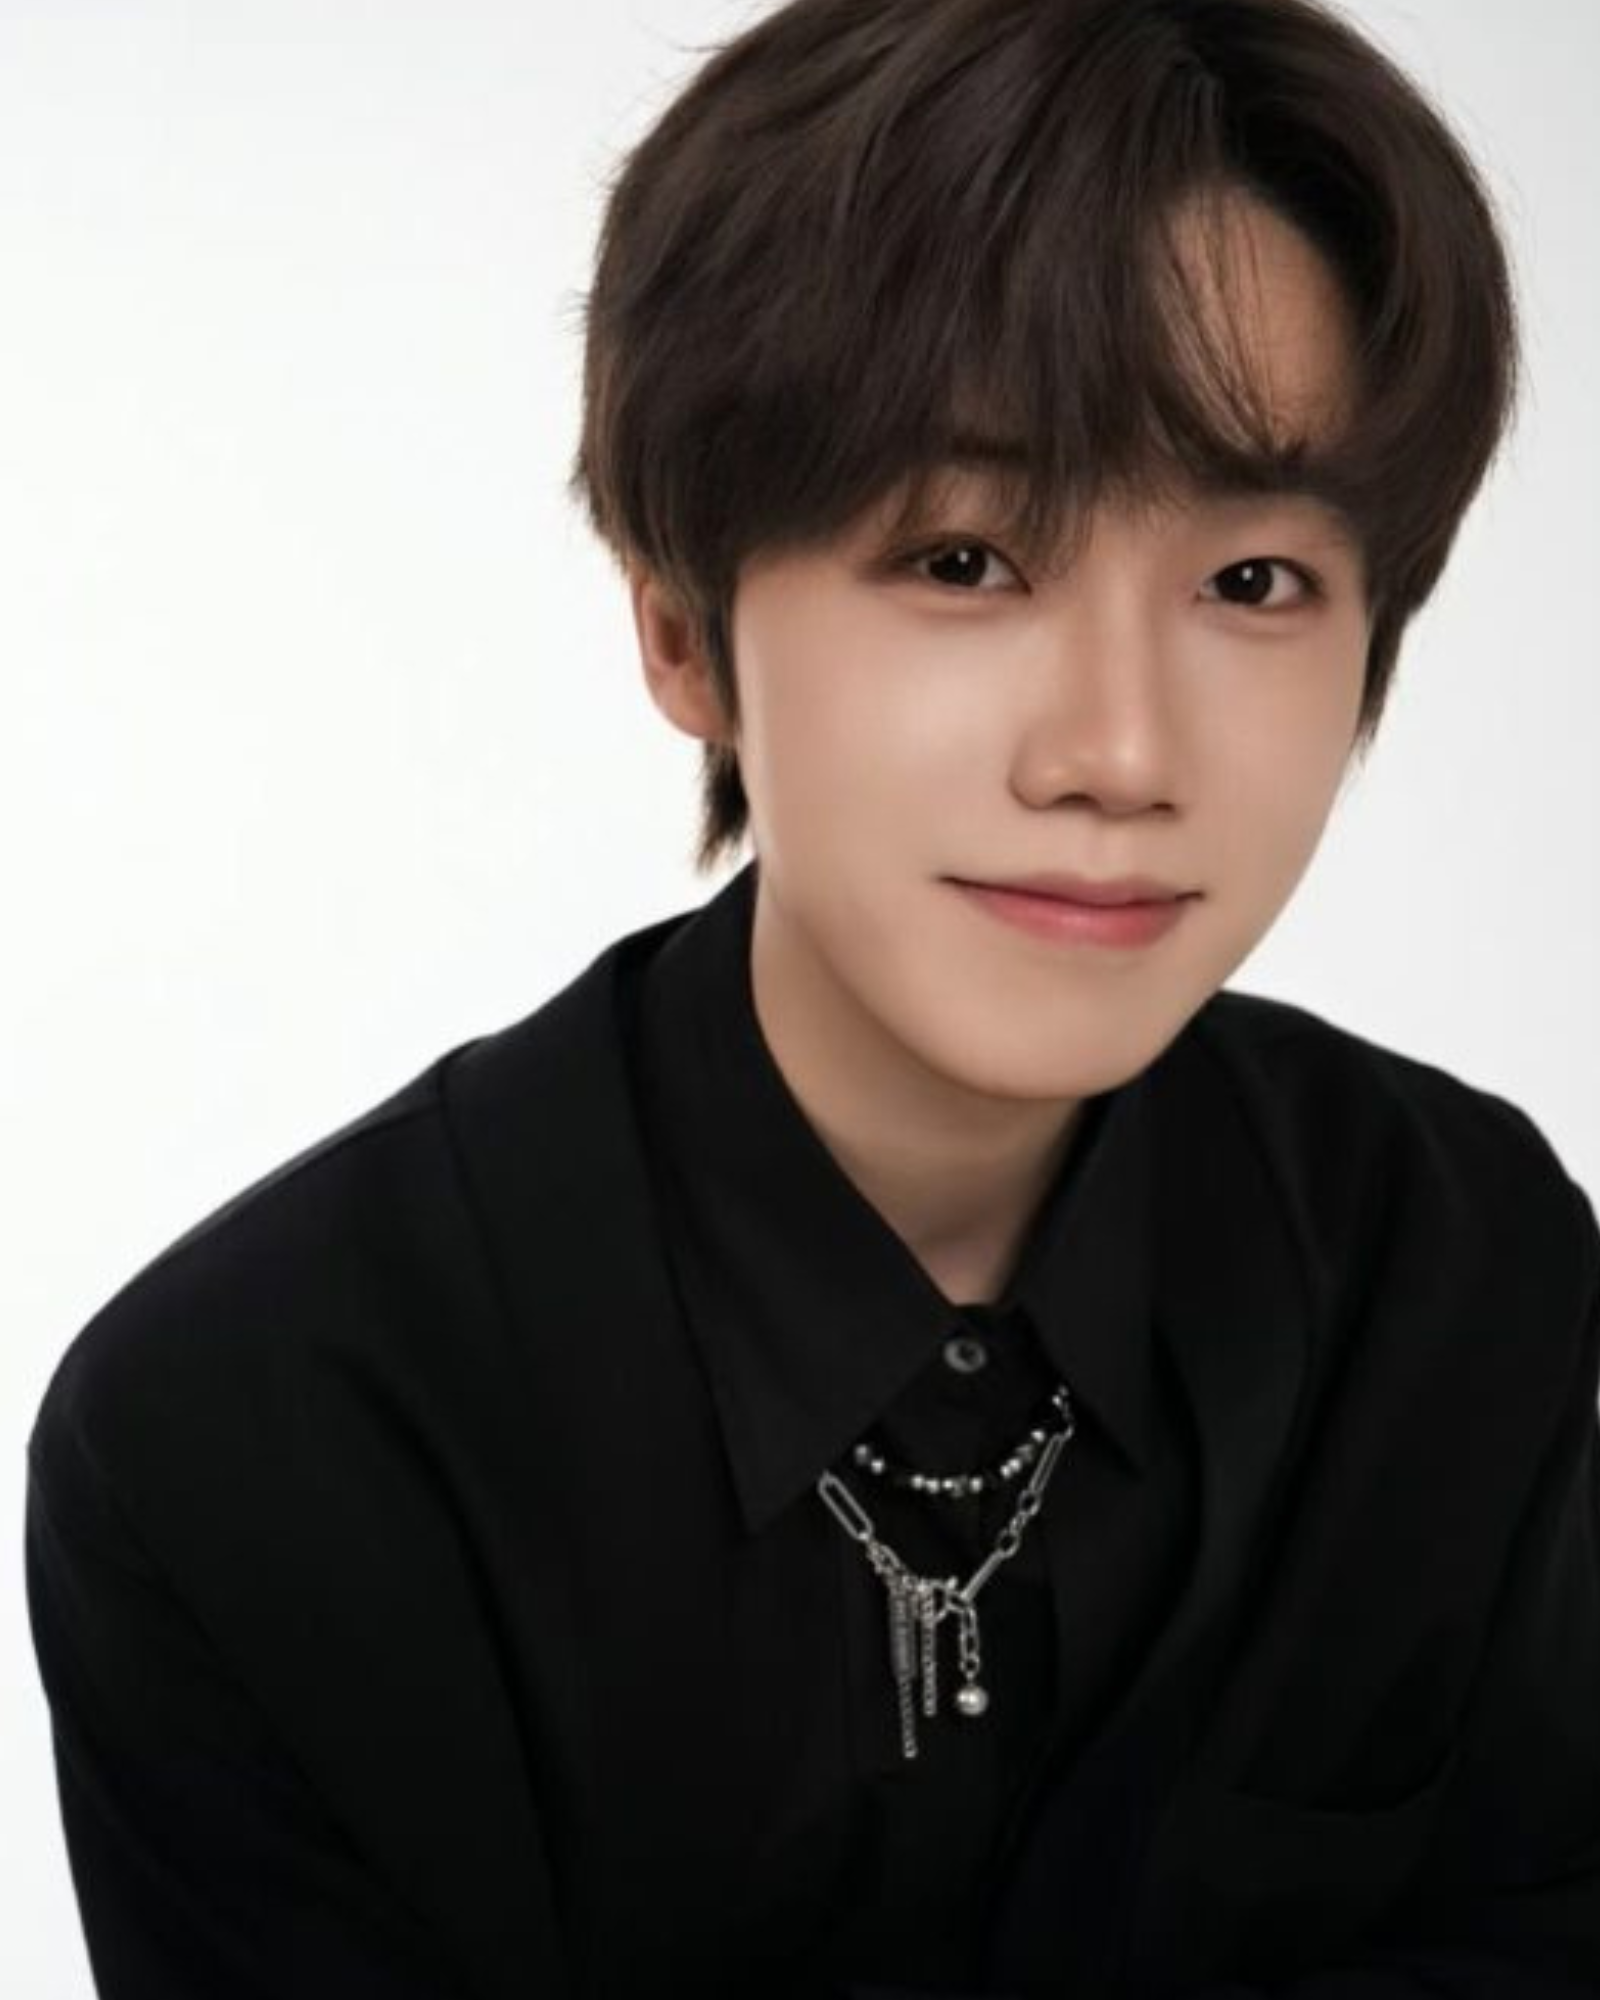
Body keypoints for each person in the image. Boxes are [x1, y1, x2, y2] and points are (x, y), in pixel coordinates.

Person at [25, 0, 1600, 1993]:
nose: (1120, 752)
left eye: (1251, 584)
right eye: (963, 558)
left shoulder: (1456, 1267)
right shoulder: (251, 1448)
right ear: (683, 635)